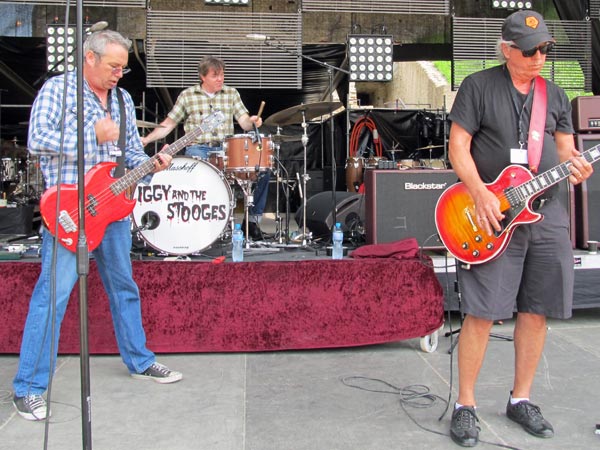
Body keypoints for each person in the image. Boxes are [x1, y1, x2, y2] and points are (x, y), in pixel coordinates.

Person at [12, 30, 182, 422]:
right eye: (113, 66)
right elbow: (36, 139)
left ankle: (140, 360)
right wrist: (90, 135)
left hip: (113, 211)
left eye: (123, 67)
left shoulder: (122, 99)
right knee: (52, 296)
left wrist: (150, 165)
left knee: (124, 287)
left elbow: (130, 153)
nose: (119, 74)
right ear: (89, 58)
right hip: (70, 209)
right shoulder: (59, 90)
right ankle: (29, 387)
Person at [447, 10, 593, 447]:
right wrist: (479, 193)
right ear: (507, 50)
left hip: (546, 215)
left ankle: (521, 398)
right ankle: (465, 405)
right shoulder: (478, 87)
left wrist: (577, 168)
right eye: (530, 51)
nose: (539, 57)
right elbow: (458, 147)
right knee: (482, 311)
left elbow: (566, 149)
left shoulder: (556, 95)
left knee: (537, 308)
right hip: (491, 214)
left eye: (545, 49)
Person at [141, 55, 269, 240]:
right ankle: (201, 223)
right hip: (198, 148)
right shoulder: (187, 95)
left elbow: (244, 122)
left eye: (222, 75)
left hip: (226, 150)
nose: (220, 79)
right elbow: (168, 124)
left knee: (262, 171)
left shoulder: (231, 93)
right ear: (203, 77)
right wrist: (147, 139)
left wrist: (253, 121)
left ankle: (253, 221)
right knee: (197, 179)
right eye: (215, 75)